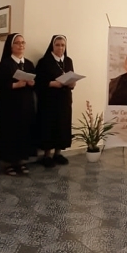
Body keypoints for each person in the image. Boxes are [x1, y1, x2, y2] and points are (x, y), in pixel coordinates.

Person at [0, 33, 37, 176]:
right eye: (17, 43)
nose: (21, 45)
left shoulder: (29, 64)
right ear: (11, 46)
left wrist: (32, 83)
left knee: (24, 131)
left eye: (23, 42)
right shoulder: (4, 64)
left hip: (26, 104)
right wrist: (14, 85)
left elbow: (36, 83)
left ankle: (21, 161)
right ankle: (8, 164)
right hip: (9, 105)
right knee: (9, 133)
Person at [35, 35, 76, 167]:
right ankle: (47, 155)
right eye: (57, 45)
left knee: (63, 126)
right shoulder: (44, 61)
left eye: (63, 45)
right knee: (48, 126)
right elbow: (37, 81)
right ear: (52, 46)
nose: (60, 48)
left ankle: (58, 153)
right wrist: (51, 83)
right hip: (49, 100)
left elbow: (71, 77)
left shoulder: (68, 61)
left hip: (64, 100)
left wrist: (72, 84)